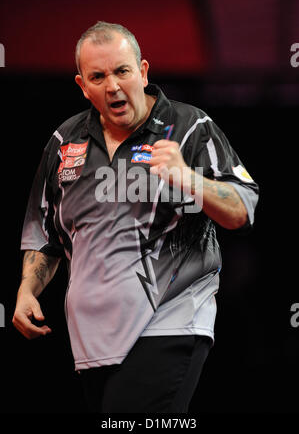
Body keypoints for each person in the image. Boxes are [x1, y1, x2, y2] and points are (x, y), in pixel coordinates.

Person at [13, 21, 259, 413]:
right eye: (98, 76)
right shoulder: (65, 142)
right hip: (91, 341)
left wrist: (189, 178)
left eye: (122, 71)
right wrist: (28, 289)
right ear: (82, 85)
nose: (112, 85)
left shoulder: (191, 127)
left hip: (168, 323)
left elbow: (242, 210)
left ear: (143, 71)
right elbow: (48, 236)